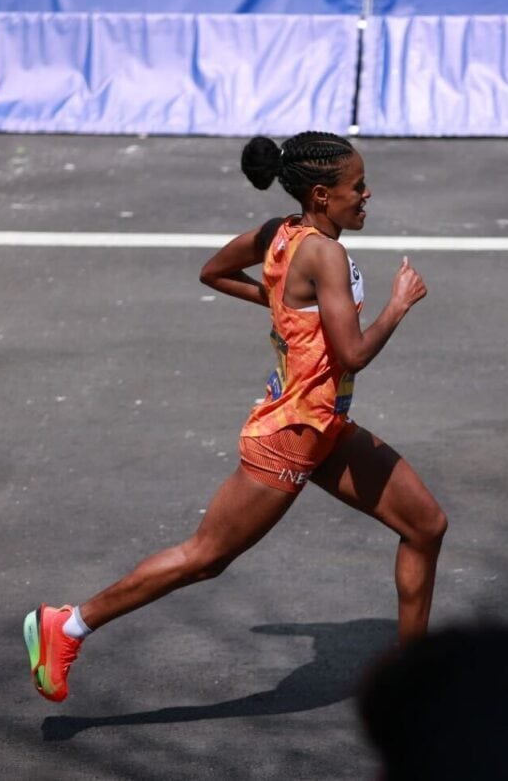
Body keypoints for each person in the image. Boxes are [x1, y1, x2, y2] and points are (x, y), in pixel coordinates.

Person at [24, 131, 448, 703]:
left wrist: (285, 306)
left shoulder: (280, 233)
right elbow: (352, 355)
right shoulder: (325, 252)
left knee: (425, 526)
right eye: (357, 187)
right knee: (205, 558)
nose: (367, 195)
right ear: (322, 195)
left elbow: (215, 271)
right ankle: (67, 625)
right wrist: (397, 305)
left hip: (324, 428)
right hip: (291, 438)